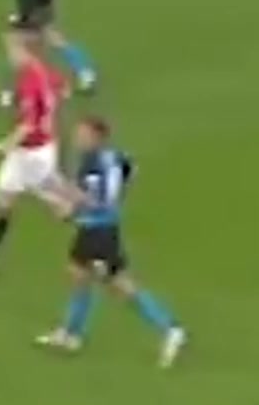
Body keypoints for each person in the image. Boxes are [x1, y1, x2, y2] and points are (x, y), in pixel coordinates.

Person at [39, 115, 188, 364]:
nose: (77, 139)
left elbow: (93, 201)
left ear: (97, 138)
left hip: (98, 232)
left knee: (120, 286)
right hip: (99, 229)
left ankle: (170, 329)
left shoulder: (92, 163)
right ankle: (70, 333)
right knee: (78, 276)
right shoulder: (115, 156)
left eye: (83, 135)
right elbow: (130, 171)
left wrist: (66, 204)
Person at [0, 28, 78, 265]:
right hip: (32, 150)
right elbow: (64, 90)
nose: (9, 55)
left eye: (12, 50)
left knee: (56, 202)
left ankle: (91, 226)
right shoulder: (43, 72)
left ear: (26, 51)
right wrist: (13, 101)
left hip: (34, 153)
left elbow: (28, 126)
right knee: (3, 199)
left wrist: (2, 146)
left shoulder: (31, 80)